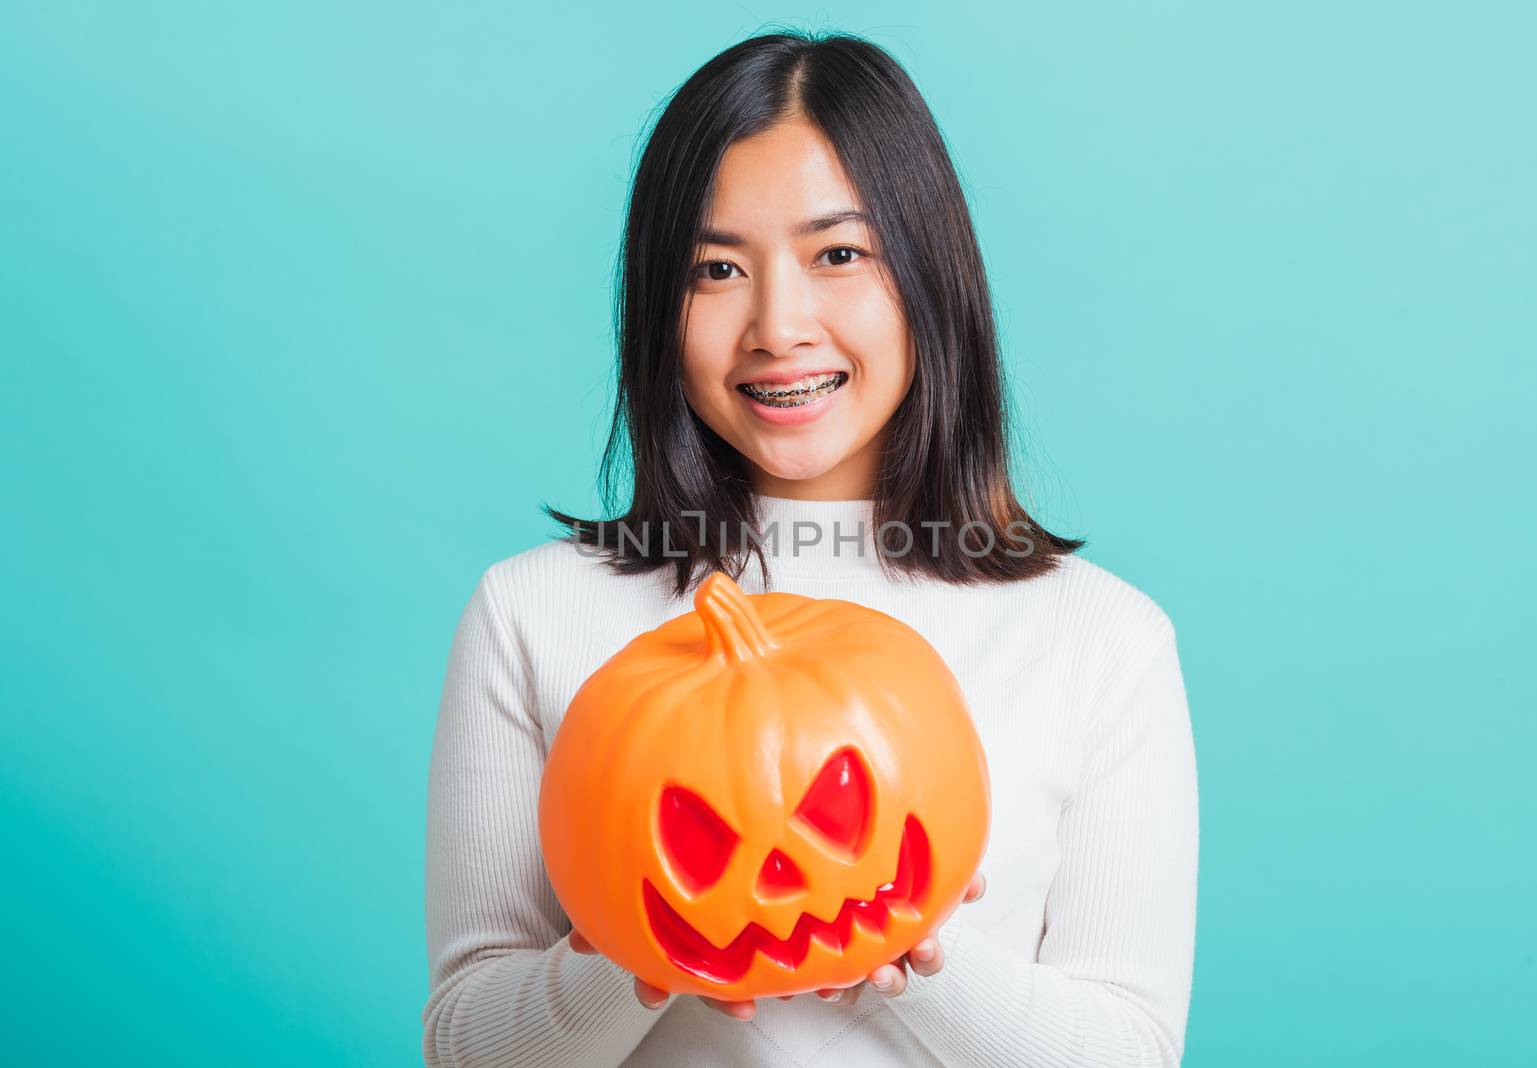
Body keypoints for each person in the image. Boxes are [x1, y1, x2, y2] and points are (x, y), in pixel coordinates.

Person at [422, 30, 1197, 1068]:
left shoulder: (1102, 636)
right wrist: (641, 950)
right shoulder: (533, 614)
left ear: (926, 275)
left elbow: (1132, 1054)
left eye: (838, 254)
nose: (777, 326)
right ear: (660, 307)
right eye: (716, 268)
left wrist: (918, 946)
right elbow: (466, 1047)